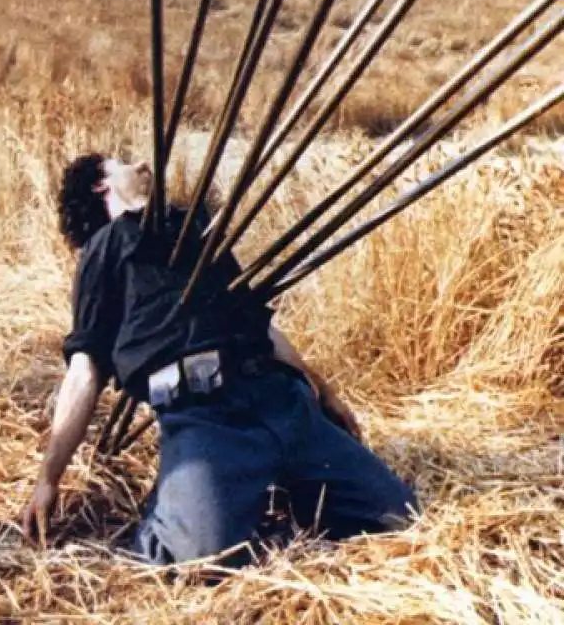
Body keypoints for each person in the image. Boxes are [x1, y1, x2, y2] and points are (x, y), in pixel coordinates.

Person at [23, 153, 418, 566]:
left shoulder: (196, 229)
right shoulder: (104, 249)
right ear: (99, 186)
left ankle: (276, 489)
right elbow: (84, 371)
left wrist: (326, 393)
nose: (141, 162)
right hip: (206, 418)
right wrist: (48, 477)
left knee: (399, 517)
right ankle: (188, 500)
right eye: (122, 161)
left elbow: (261, 329)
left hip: (282, 401)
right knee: (197, 559)